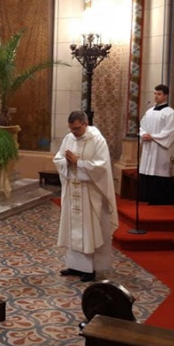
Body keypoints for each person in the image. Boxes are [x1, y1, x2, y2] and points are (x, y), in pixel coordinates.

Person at [54, 110, 118, 282]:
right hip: (72, 190)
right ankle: (74, 265)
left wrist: (79, 163)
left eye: (76, 129)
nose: (73, 132)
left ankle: (89, 269)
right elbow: (58, 158)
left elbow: (102, 166)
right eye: (71, 128)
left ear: (85, 124)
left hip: (89, 193)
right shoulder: (69, 138)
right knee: (72, 228)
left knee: (87, 231)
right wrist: (66, 162)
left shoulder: (97, 140)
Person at [138, 84, 174, 205]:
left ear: (165, 96)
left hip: (161, 148)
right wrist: (144, 134)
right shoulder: (149, 111)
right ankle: (147, 196)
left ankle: (161, 199)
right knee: (148, 171)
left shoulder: (170, 113)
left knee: (160, 171)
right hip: (149, 146)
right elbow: (142, 126)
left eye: (159, 94)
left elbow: (171, 131)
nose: (156, 96)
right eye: (155, 93)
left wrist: (153, 137)